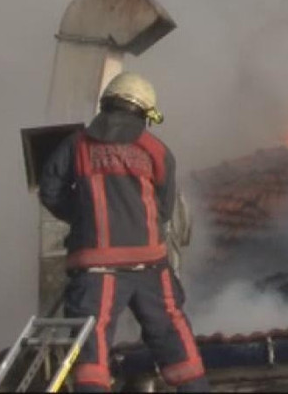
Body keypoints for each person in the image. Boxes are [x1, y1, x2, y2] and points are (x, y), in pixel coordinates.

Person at [39, 71, 209, 392]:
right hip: (150, 265)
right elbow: (164, 206)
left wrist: (83, 218)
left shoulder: (76, 145)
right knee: (173, 335)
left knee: (93, 348)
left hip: (96, 267)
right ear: (144, 112)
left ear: (106, 104)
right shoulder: (156, 150)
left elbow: (50, 190)